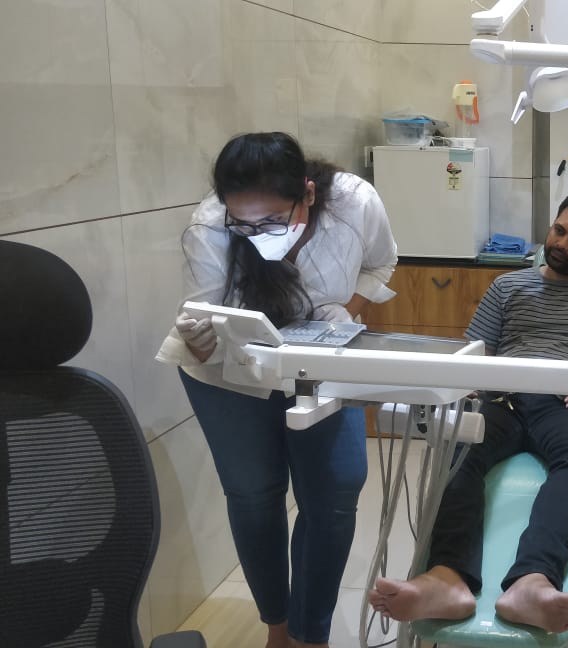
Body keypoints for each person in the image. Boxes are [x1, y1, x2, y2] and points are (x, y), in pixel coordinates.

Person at [155, 132, 398, 648]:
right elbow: (205, 320)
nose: (256, 234)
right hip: (230, 375)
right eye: (243, 223)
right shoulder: (210, 226)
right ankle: (278, 629)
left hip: (320, 363)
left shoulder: (354, 203)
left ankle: (312, 635)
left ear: (307, 194)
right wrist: (201, 340)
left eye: (270, 221)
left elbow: (381, 262)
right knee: (255, 496)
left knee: (334, 494)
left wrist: (344, 309)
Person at [369, 194, 568, 633]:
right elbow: (476, 353)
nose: (561, 243)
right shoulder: (507, 287)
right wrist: (468, 382)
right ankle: (447, 578)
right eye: (558, 231)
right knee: (458, 453)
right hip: (503, 398)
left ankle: (532, 582)